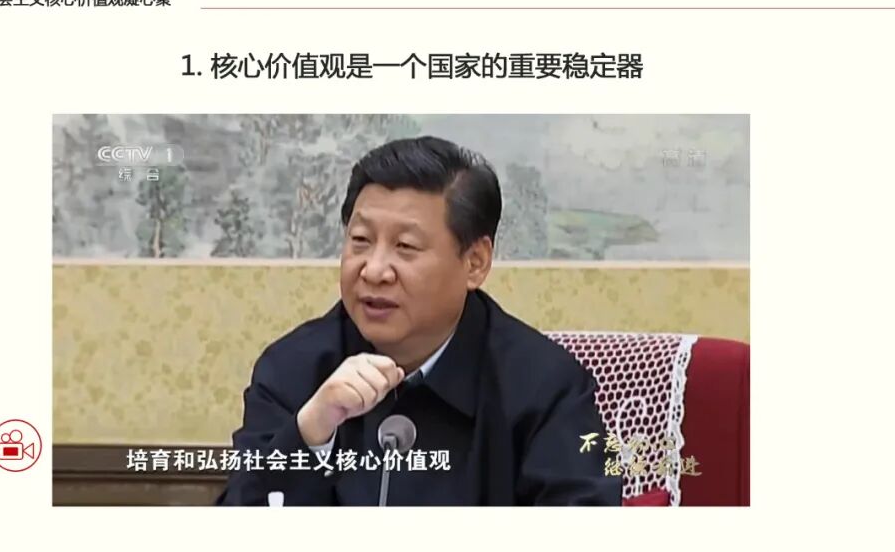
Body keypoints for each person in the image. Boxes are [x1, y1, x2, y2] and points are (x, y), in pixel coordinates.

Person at [219, 136, 620, 506]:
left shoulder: (545, 385)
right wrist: (310, 433)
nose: (374, 270)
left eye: (405, 246)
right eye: (360, 241)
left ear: (475, 262)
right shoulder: (292, 369)